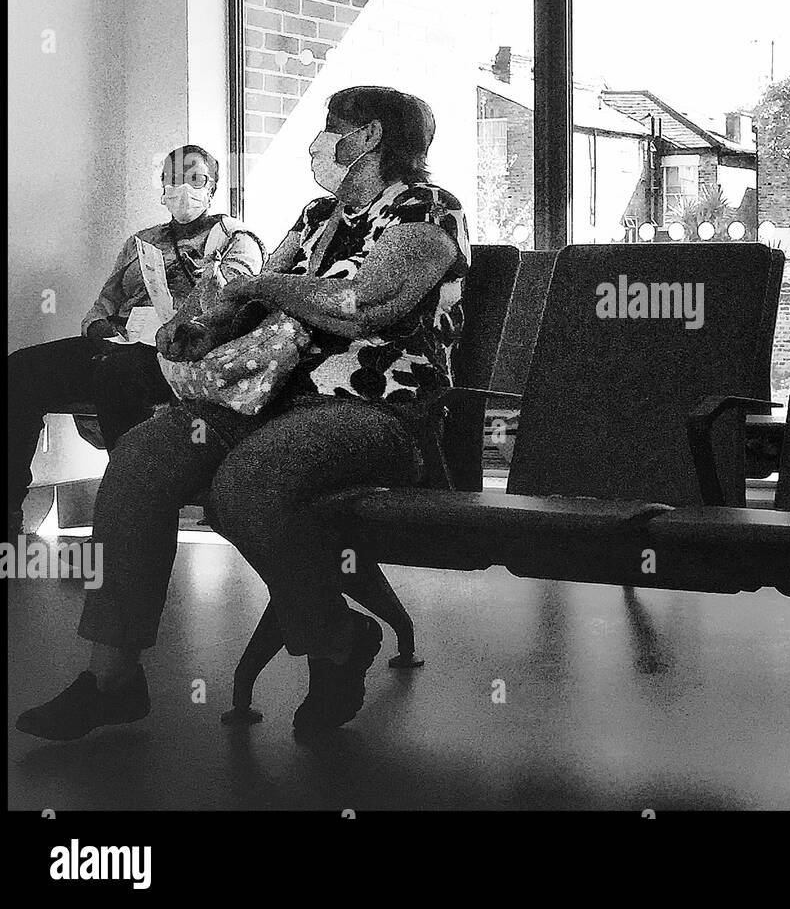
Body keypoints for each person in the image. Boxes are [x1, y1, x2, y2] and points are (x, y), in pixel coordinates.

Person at [15, 86, 471, 742]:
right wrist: (201, 320)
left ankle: (337, 640)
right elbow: (240, 299)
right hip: (270, 398)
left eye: (331, 126)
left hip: (380, 411)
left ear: (368, 135)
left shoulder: (430, 213)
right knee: (141, 456)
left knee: (248, 484)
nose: (320, 140)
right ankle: (112, 678)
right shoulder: (317, 216)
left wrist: (258, 286)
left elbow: (365, 300)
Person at [7, 146, 264, 538]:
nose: (183, 187)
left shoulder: (237, 240)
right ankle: (9, 512)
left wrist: (199, 282)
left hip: (180, 351)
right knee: (20, 369)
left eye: (195, 178)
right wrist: (99, 330)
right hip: (119, 340)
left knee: (116, 375)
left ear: (212, 187)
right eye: (173, 178)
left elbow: (228, 303)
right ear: (161, 186)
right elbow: (105, 301)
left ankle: (124, 518)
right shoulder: (141, 242)